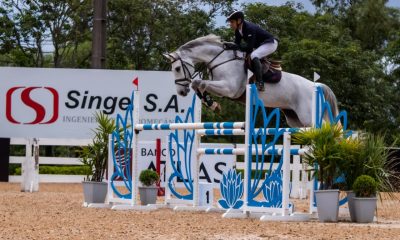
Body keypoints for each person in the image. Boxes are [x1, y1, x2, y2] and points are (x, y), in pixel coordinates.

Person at [226, 10, 278, 91]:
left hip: (270, 43)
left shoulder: (250, 28)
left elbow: (249, 48)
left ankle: (260, 83)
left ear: (239, 21)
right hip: (261, 45)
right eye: (230, 22)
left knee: (254, 55)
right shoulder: (238, 31)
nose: (230, 25)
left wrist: (235, 47)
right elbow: (237, 45)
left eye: (232, 22)